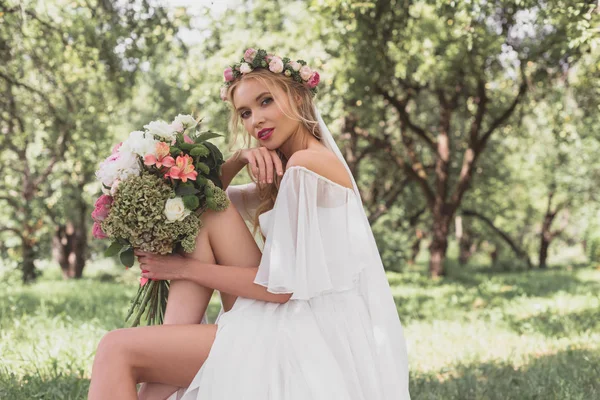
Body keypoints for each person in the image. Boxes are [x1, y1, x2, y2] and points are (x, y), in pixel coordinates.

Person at [88, 48, 411, 400]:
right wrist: (240, 157)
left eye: (266, 101)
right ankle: (167, 352)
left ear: (299, 97)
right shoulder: (293, 168)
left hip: (298, 329)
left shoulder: (307, 165)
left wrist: (180, 269)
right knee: (150, 386)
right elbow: (205, 200)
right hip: (287, 316)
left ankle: (166, 352)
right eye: (245, 112)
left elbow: (280, 288)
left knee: (115, 348)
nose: (256, 120)